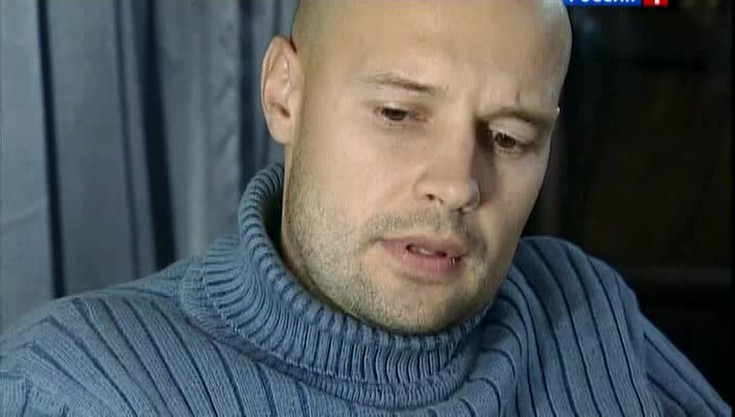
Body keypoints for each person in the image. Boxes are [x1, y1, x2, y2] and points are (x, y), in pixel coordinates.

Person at [1, 0, 729, 415]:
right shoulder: (79, 383)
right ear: (284, 94)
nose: (458, 184)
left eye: (508, 137)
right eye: (397, 113)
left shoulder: (581, 308)